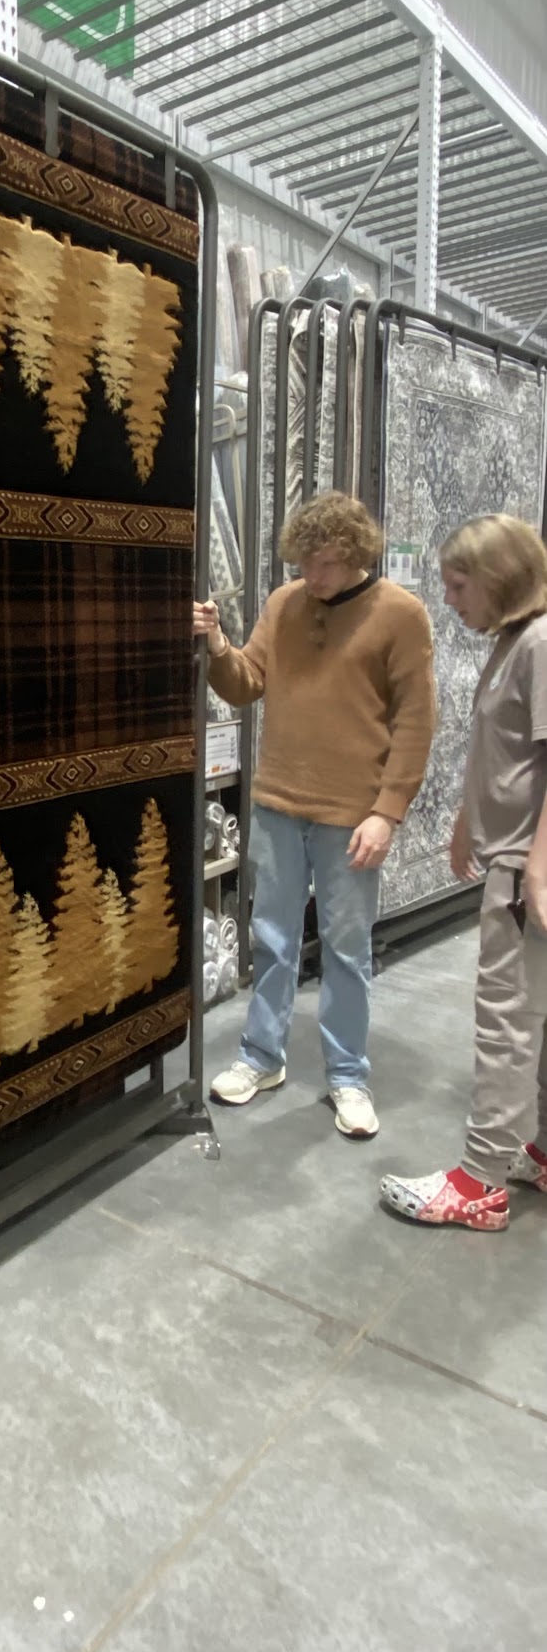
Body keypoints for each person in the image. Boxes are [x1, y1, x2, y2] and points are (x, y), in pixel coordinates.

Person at [195, 491, 435, 1137]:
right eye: (303, 561)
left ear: (356, 555)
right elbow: (245, 683)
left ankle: (348, 1076)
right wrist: (216, 643)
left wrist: (386, 812)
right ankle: (260, 1057)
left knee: (346, 950)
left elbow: (415, 721)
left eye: (325, 563)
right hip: (277, 801)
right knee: (270, 940)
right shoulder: (284, 603)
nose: (312, 575)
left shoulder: (399, 613)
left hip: (351, 814)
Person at [381, 514, 547, 1230]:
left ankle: (479, 1182)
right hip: (510, 855)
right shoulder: (514, 643)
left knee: (505, 1023)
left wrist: (536, 867)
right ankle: (537, 1149)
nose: (447, 599)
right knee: (534, 1017)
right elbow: (505, 753)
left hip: (522, 868)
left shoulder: (539, 644)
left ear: (498, 580)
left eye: (457, 585)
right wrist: (463, 823)